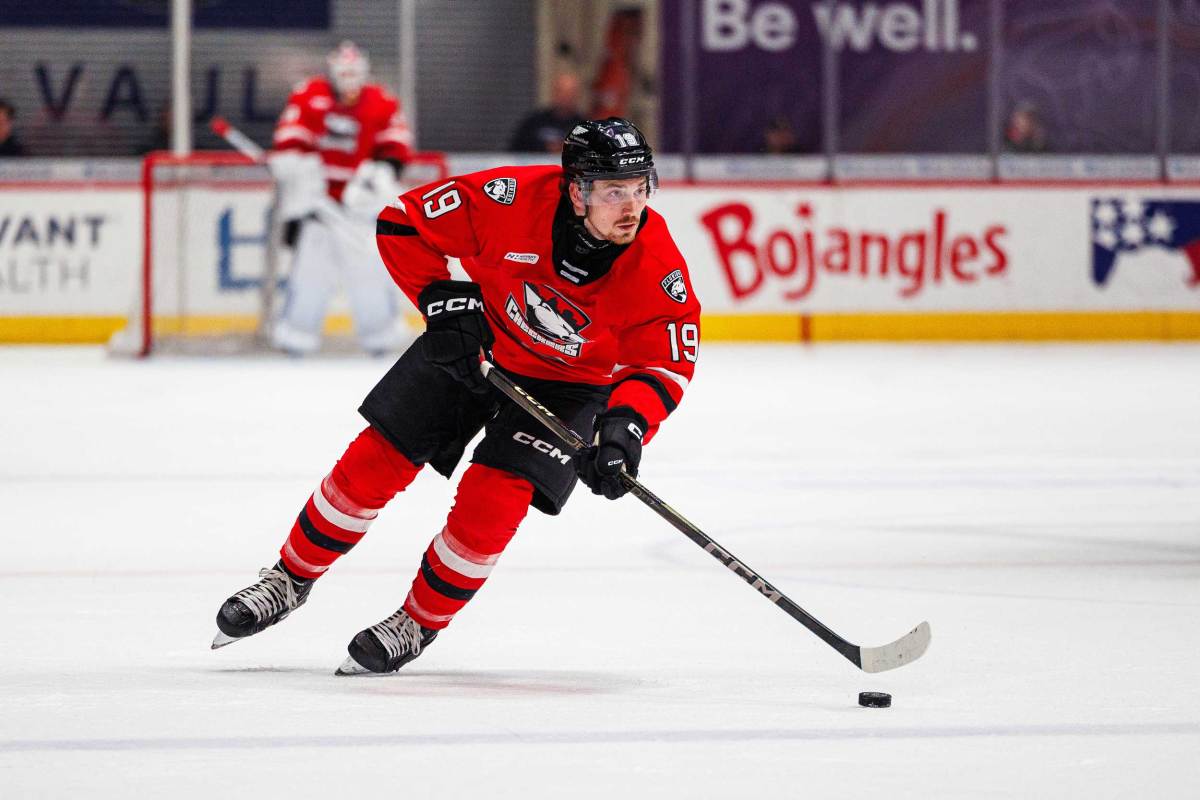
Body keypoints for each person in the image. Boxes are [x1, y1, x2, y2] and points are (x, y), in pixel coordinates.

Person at [211, 118, 701, 675]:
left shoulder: (657, 264)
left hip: (570, 387)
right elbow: (402, 223)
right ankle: (289, 578)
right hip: (479, 344)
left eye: (641, 188)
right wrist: (441, 299)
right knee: (374, 462)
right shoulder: (510, 199)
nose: (631, 205)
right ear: (577, 189)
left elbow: (663, 361)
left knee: (492, 501)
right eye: (615, 190)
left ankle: (417, 622)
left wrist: (623, 430)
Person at [267, 41, 415, 355]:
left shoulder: (381, 101)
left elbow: (396, 145)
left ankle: (380, 341)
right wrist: (297, 168)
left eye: (354, 74)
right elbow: (290, 138)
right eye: (343, 74)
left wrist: (383, 171)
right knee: (309, 276)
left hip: (358, 211)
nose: (348, 82)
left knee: (370, 277)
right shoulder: (309, 95)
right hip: (319, 211)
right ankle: (295, 339)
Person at [508, 72, 586, 153]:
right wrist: (544, 148)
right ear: (553, 93)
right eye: (561, 91)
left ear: (578, 95)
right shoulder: (534, 123)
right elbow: (514, 152)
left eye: (570, 93)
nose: (565, 97)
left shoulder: (586, 126)